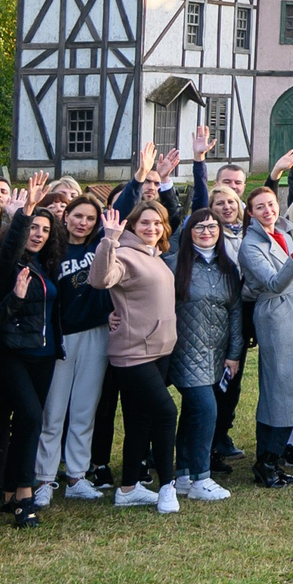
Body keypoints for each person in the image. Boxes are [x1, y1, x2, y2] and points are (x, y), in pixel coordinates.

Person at [91, 200, 182, 512]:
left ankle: (128, 488)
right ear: (132, 225)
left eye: (158, 223)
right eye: (145, 223)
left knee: (141, 420)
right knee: (166, 413)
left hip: (161, 350)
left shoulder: (156, 256)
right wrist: (109, 240)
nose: (152, 228)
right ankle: (167, 486)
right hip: (133, 353)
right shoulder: (125, 254)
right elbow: (100, 280)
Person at [237, 183, 293, 487]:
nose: (268, 210)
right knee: (282, 391)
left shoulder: (282, 233)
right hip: (276, 315)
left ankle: (270, 459)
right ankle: (267, 462)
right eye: (260, 207)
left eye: (271, 204)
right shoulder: (249, 245)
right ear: (250, 213)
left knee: (288, 390)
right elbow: (274, 283)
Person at [0, 187, 59, 526]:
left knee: (26, 425)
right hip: (12, 352)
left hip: (43, 356)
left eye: (44, 229)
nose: (38, 234)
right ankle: (23, 498)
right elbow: (9, 250)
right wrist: (23, 214)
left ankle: (7, 492)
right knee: (29, 417)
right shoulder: (7, 264)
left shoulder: (45, 266)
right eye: (33, 228)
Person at [36, 191, 112, 500]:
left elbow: (120, 211)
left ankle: (77, 476)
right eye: (78, 216)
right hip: (62, 336)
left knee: (84, 407)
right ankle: (43, 478)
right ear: (65, 216)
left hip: (96, 332)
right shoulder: (52, 250)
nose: (83, 222)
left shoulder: (99, 246)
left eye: (90, 218)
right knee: (53, 411)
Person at [168, 210, 243, 504]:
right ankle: (202, 476)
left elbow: (235, 310)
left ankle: (184, 475)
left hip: (217, 352)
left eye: (212, 226)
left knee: (192, 412)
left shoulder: (227, 268)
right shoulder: (174, 264)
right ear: (188, 232)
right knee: (206, 410)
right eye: (199, 227)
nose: (206, 231)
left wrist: (234, 354)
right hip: (185, 350)